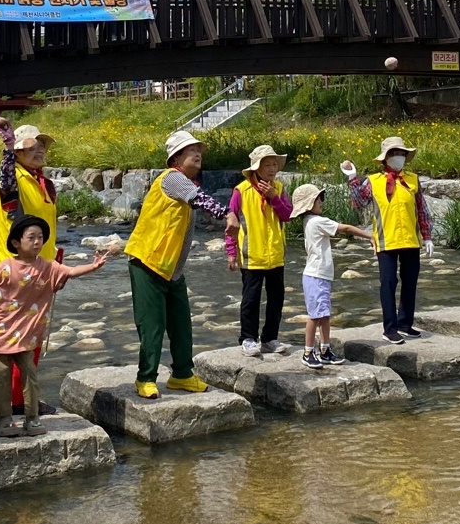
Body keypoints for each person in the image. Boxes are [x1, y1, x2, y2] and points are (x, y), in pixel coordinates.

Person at [0, 218, 108, 436]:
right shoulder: (6, 267)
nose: (37, 242)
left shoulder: (47, 267)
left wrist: (93, 267)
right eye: (31, 237)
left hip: (26, 334)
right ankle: (4, 419)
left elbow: (70, 271)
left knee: (30, 375)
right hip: (0, 332)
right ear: (17, 242)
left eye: (40, 237)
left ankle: (32, 418)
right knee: (1, 376)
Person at [125, 131, 221, 398]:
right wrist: (228, 214)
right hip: (148, 262)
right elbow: (199, 199)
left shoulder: (184, 180)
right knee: (152, 324)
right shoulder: (173, 178)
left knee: (181, 323)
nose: (198, 154)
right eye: (191, 150)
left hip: (171, 269)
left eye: (198, 149)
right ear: (176, 158)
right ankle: (145, 378)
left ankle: (182, 374)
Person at [0, 118, 61, 414]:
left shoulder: (43, 181)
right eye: (32, 145)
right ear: (19, 152)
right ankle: (17, 403)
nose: (40, 149)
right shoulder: (14, 178)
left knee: (32, 337)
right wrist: (8, 147)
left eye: (43, 144)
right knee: (18, 338)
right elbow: (5, 178)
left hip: (41, 268)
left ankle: (21, 399)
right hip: (17, 271)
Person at [341, 136, 434, 345]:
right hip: (385, 241)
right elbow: (358, 203)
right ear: (386, 158)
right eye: (394, 153)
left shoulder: (412, 179)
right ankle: (389, 328)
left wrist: (427, 237)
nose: (399, 157)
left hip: (411, 239)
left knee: (410, 282)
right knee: (388, 283)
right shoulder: (374, 181)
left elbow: (422, 209)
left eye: (401, 153)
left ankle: (405, 324)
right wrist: (353, 178)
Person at [291, 182, 371, 368]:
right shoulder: (318, 222)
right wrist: (370, 236)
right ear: (310, 204)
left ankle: (325, 350)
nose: (321, 202)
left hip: (320, 275)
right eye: (319, 199)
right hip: (316, 276)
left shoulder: (309, 222)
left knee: (324, 314)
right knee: (315, 316)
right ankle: (308, 352)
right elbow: (347, 229)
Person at [224, 145, 293, 357]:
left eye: (274, 164)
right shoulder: (241, 191)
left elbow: (287, 215)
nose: (272, 169)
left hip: (275, 255)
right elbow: (231, 222)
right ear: (256, 167)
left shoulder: (279, 189)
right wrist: (231, 251)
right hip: (251, 256)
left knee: (276, 298)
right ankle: (248, 338)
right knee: (250, 299)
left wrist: (273, 197)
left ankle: (270, 338)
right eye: (267, 165)